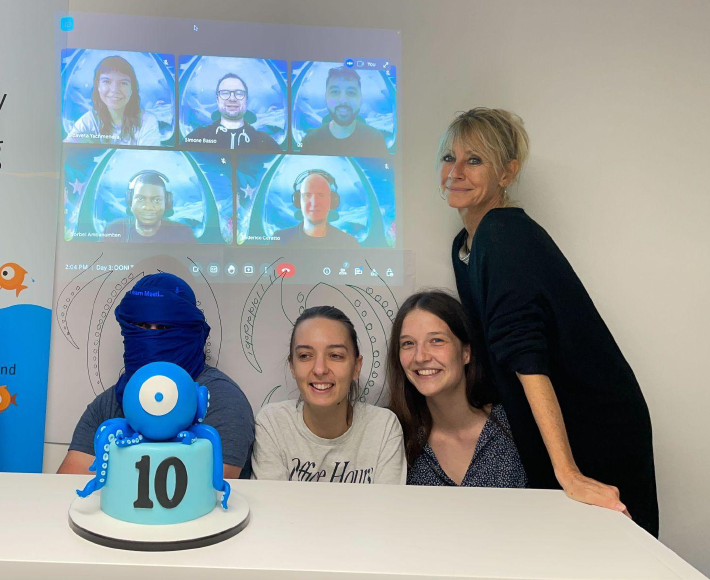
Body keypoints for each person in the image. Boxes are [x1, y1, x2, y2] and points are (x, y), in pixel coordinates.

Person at [440, 107, 658, 535]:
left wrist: (568, 472)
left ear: (507, 173)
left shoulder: (502, 233)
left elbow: (526, 358)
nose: (456, 171)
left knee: (613, 554)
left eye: (475, 160)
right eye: (449, 158)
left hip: (591, 423)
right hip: (548, 426)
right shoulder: (465, 245)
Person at [58, 273, 253, 478]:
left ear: (191, 332)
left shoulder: (220, 398)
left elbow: (207, 490)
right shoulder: (109, 403)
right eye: (142, 326)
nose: (151, 335)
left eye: (164, 327)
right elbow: (69, 483)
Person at [251, 306, 405, 484]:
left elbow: (386, 502)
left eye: (335, 355)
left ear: (356, 366)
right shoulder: (273, 424)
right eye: (305, 355)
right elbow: (270, 500)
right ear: (292, 366)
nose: (320, 369)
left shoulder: (383, 427)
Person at [388, 291, 526, 488]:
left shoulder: (515, 424)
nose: (420, 357)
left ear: (466, 352)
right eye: (408, 343)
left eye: (436, 340)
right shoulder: (394, 436)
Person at [66, 55, 161, 146]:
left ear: (132, 88)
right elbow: (66, 149)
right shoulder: (88, 121)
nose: (114, 90)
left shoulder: (147, 122)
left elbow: (151, 157)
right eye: (106, 81)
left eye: (123, 83)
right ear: (98, 85)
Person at [298, 67, 388, 157]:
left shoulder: (375, 139)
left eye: (351, 92)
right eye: (335, 92)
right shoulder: (310, 141)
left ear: (360, 98)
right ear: (326, 97)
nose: (343, 100)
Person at [183, 73, 279, 151]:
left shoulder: (265, 141)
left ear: (246, 99)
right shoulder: (198, 136)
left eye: (239, 93)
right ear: (217, 99)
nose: (232, 98)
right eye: (225, 93)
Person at [103, 170, 198, 243]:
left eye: (156, 200)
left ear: (167, 202)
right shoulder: (113, 229)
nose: (148, 207)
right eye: (140, 199)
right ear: (130, 201)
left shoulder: (184, 234)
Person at [272, 170, 359, 248]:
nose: (314, 203)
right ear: (298, 201)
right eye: (308, 195)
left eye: (321, 195)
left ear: (332, 201)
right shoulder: (280, 240)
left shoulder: (349, 244)